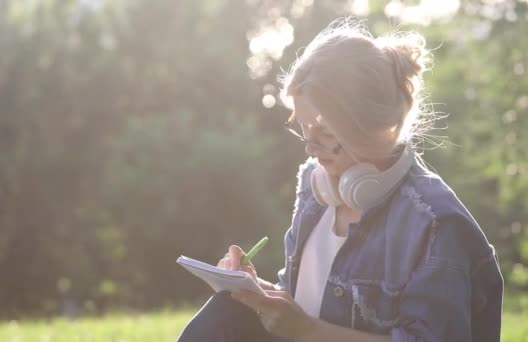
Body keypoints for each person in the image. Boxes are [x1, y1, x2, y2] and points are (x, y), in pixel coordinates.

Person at [177, 19, 503, 342]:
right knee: (227, 311)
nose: (310, 148)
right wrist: (258, 293)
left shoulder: (436, 225)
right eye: (304, 131)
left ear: (373, 125)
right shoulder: (315, 184)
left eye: (326, 134)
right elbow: (310, 304)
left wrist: (306, 332)